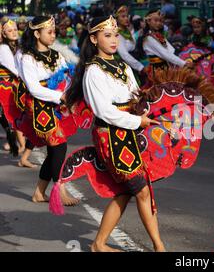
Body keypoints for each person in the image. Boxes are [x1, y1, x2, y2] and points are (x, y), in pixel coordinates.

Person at [64, 16, 165, 252]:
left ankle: (99, 244)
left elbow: (135, 95)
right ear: (93, 39)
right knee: (140, 189)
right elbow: (104, 111)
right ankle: (159, 247)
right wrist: (136, 120)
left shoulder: (123, 67)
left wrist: (151, 105)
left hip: (131, 132)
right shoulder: (93, 71)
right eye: (107, 35)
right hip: (111, 135)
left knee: (126, 192)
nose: (113, 40)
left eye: (116, 35)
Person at [20, 16, 79, 205]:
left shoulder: (57, 55)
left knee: (54, 150)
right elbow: (33, 88)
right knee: (59, 146)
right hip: (40, 107)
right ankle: (60, 189)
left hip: (57, 106)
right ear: (37, 34)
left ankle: (39, 192)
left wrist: (68, 92)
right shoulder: (27, 57)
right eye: (49, 32)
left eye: (54, 32)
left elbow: (67, 77)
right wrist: (58, 96)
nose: (53, 35)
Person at [0, 18, 36, 167]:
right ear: (4, 33)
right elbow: (16, 69)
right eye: (10, 31)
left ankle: (22, 151)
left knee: (20, 119)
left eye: (15, 30)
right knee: (18, 118)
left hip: (17, 86)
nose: (14, 32)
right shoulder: (3, 48)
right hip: (8, 87)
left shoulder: (18, 46)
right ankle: (21, 149)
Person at [115, 6, 145, 75]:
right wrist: (140, 67)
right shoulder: (117, 34)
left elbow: (131, 45)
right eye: (123, 17)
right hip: (123, 68)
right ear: (117, 19)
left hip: (131, 64)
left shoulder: (126, 31)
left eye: (127, 16)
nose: (126, 19)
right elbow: (124, 55)